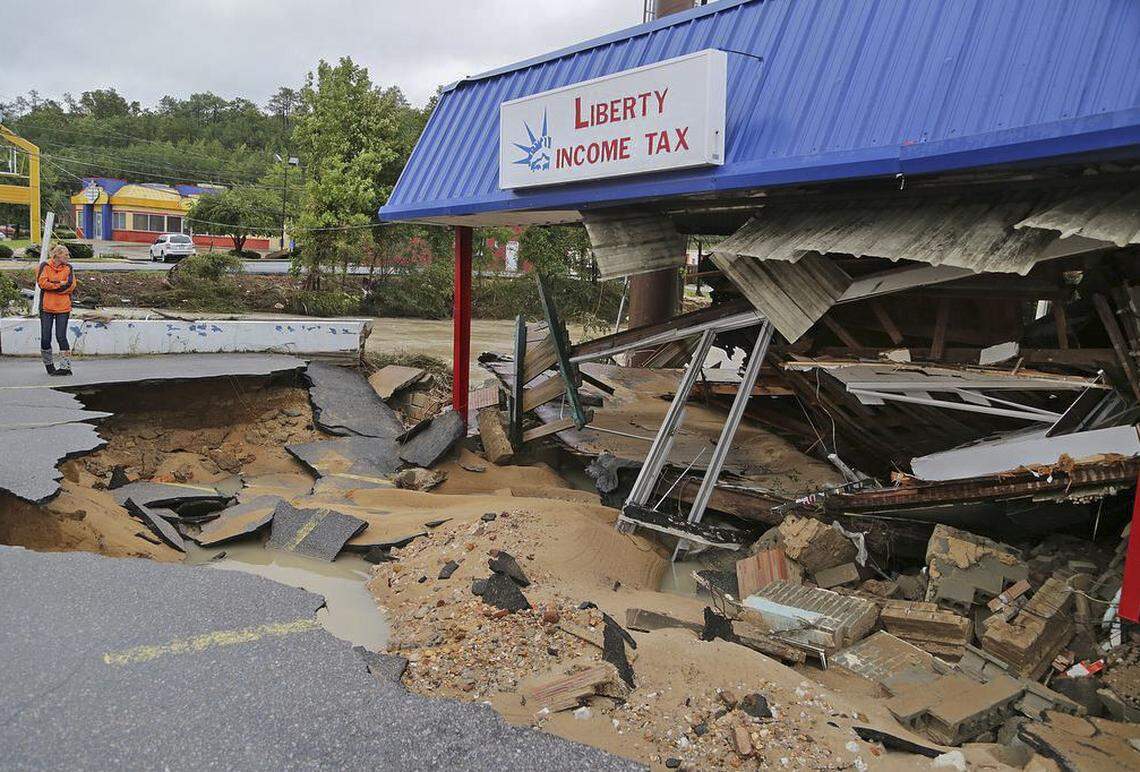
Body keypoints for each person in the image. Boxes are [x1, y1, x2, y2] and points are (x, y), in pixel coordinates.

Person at [36, 244, 77, 376]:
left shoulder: (69, 268)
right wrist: (60, 284)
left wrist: (52, 285)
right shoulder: (44, 266)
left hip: (63, 307)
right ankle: (49, 365)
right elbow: (42, 284)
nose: (68, 257)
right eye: (66, 255)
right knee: (45, 338)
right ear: (58, 255)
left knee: (61, 336)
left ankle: (66, 368)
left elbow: (71, 286)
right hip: (46, 307)